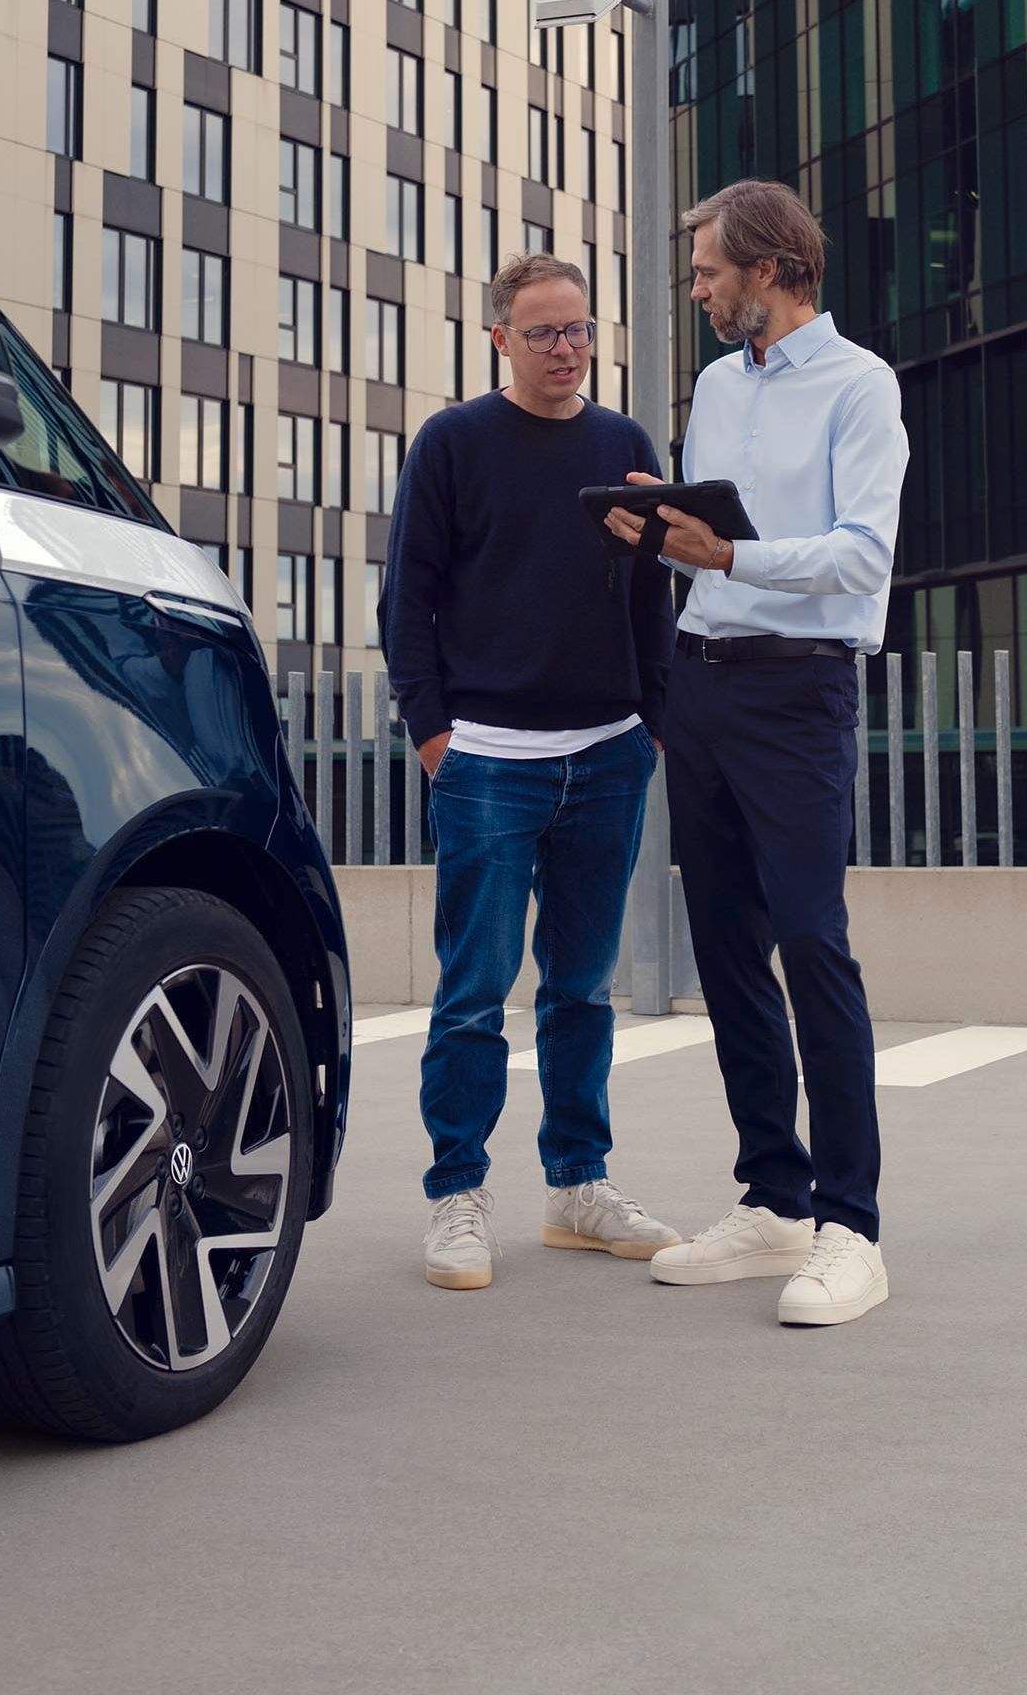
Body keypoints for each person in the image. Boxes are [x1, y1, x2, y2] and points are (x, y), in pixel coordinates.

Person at [606, 180, 909, 1329]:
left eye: (707, 271)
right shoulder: (720, 387)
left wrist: (728, 556)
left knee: (812, 944)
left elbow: (861, 555)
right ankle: (774, 1200)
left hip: (799, 694)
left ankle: (852, 1229)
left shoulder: (861, 386)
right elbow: (710, 546)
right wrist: (660, 532)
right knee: (726, 952)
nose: (695, 288)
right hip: (704, 685)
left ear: (771, 269)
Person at [383, 253, 679, 1293]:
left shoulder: (625, 445)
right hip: (488, 761)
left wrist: (652, 723)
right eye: (545, 332)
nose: (567, 348)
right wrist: (434, 734)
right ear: (500, 338)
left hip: (607, 754)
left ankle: (577, 1187)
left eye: (580, 329)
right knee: (473, 993)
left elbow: (650, 595)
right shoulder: (454, 442)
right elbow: (408, 597)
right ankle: (457, 1193)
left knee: (582, 990)